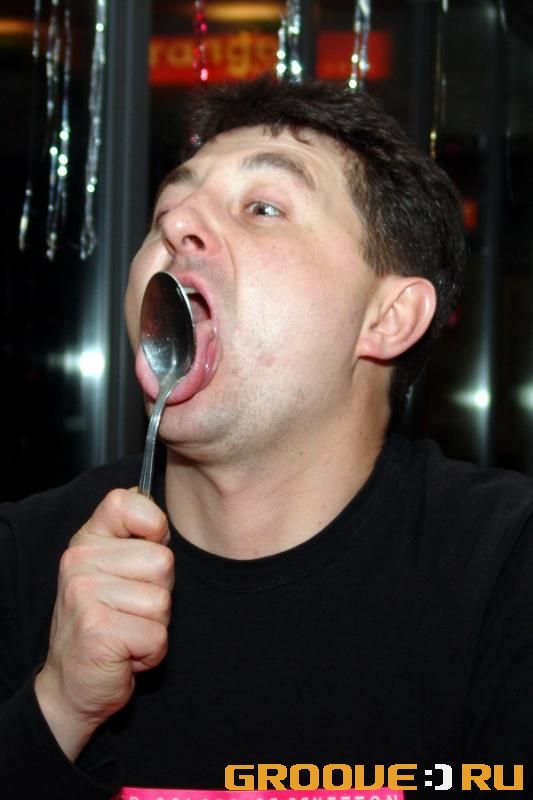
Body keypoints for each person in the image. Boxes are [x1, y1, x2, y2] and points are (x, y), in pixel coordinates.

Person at [0, 76, 531, 799]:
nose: (177, 222)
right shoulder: (24, 563)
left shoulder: (504, 572)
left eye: (263, 207)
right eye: (164, 212)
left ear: (387, 319)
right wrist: (59, 706)